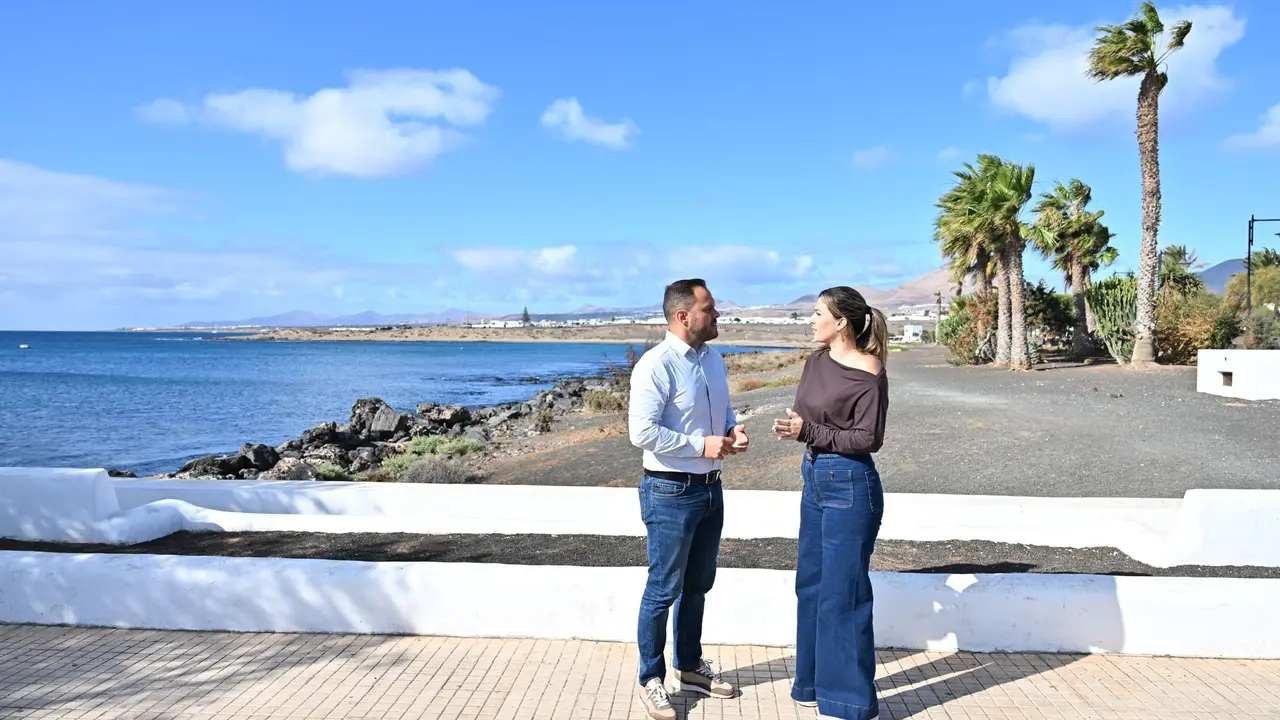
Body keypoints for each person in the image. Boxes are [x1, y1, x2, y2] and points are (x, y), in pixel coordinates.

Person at [628, 278, 749, 720]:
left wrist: (733, 431)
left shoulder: (713, 359)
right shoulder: (655, 365)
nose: (718, 316)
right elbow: (640, 432)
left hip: (710, 488)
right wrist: (702, 446)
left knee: (698, 585)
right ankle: (650, 679)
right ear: (684, 316)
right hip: (669, 491)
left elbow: (723, 411)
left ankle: (689, 665)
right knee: (663, 589)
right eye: (710, 309)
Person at [772, 286, 889, 720]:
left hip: (850, 485)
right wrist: (796, 429)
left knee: (844, 594)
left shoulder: (869, 370)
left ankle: (850, 704)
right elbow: (811, 420)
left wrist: (809, 432)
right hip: (814, 477)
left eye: (817, 313)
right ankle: (812, 685)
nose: (811, 319)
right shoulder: (815, 362)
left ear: (841, 322)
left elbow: (868, 439)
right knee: (812, 587)